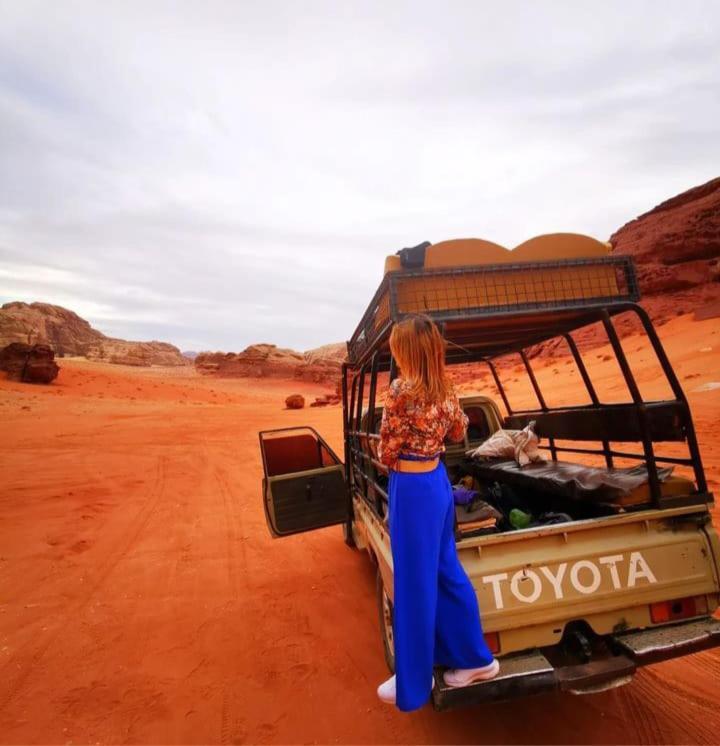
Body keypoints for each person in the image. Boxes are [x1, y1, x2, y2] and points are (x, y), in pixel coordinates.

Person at [376, 314, 499, 711]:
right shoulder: (446, 388)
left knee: (414, 581)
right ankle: (477, 660)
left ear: (407, 350)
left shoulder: (400, 390)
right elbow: (459, 432)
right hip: (438, 484)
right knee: (446, 571)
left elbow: (386, 450)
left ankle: (413, 680)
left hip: (411, 489)